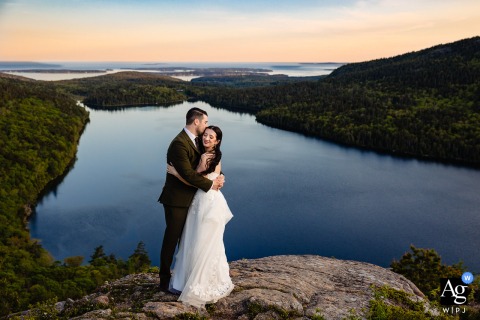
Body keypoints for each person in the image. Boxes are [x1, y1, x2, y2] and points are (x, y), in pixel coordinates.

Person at [166, 125, 234, 308]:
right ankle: (210, 279)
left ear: (217, 141)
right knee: (208, 241)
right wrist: (219, 178)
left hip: (204, 200)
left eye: (211, 137)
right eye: (206, 135)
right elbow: (213, 176)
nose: (207, 139)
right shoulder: (215, 155)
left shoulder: (205, 156)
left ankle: (192, 281)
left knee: (197, 240)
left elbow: (193, 179)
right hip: (213, 200)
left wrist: (175, 173)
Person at [158, 107, 224, 292]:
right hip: (177, 200)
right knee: (171, 240)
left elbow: (206, 165)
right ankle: (164, 281)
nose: (205, 126)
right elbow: (188, 174)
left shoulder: (196, 141)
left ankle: (184, 277)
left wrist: (219, 176)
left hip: (194, 200)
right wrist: (211, 185)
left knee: (188, 241)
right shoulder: (179, 143)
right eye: (204, 122)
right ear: (196, 121)